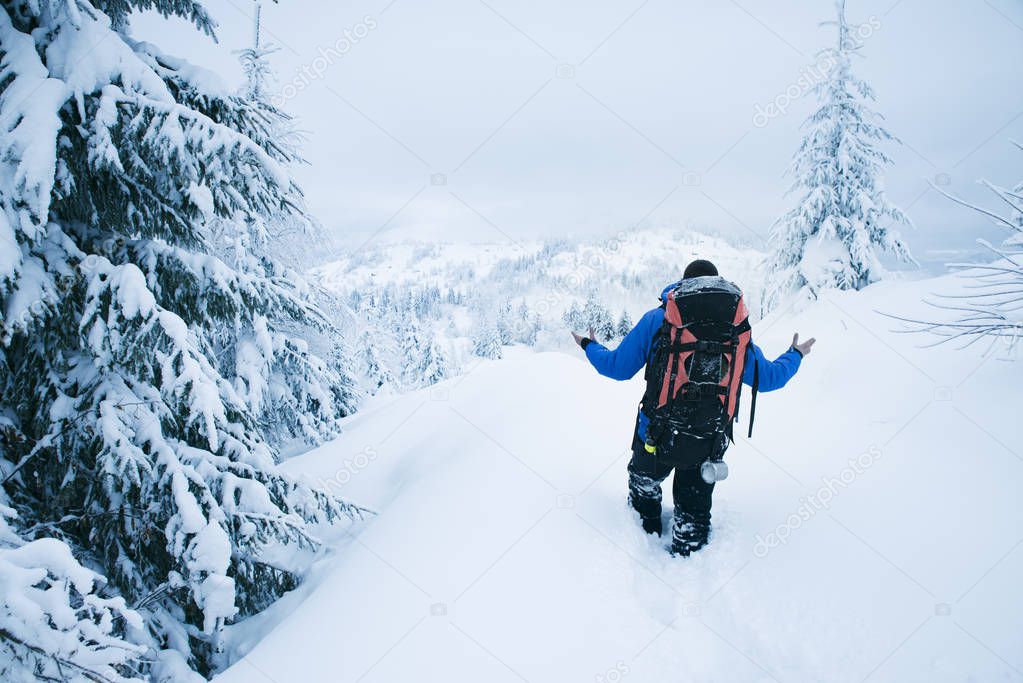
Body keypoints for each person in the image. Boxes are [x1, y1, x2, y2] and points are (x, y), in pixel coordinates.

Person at [571, 259, 815, 556]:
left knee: (644, 484)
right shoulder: (735, 331)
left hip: (656, 435)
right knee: (694, 509)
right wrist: (795, 355)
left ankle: (642, 535)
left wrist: (588, 345)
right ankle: (688, 554)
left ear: (682, 286)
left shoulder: (658, 319)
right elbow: (769, 379)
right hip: (708, 440)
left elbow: (617, 368)